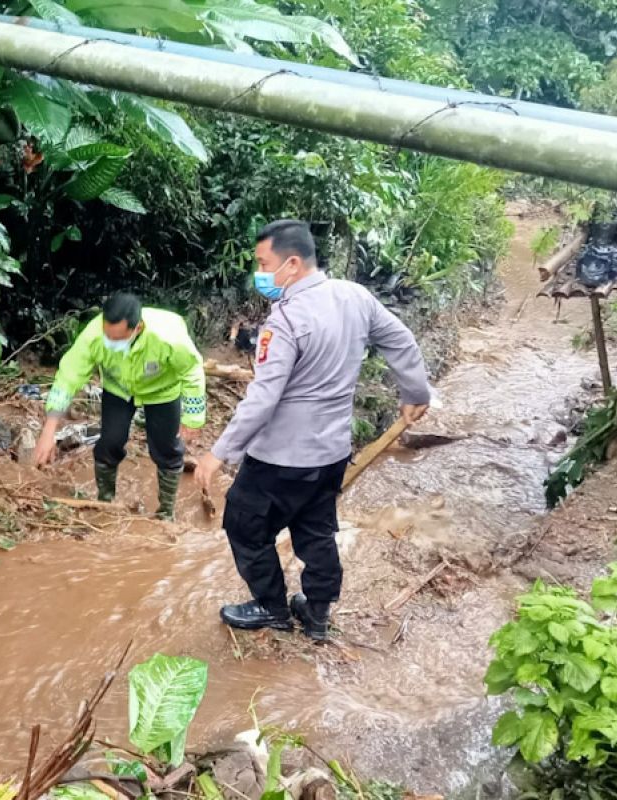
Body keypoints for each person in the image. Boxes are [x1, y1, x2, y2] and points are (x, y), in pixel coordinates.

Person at [195, 220, 431, 641]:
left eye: (264, 264)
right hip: (332, 452)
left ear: (291, 263)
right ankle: (317, 613)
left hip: (280, 460)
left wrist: (219, 452)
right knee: (316, 528)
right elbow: (401, 341)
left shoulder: (286, 320)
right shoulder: (354, 297)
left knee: (244, 525)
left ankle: (271, 608)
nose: (260, 273)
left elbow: (263, 398)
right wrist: (414, 391)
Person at [33, 292, 206, 520]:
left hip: (162, 392)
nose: (111, 342)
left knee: (167, 450)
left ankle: (166, 513)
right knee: (110, 442)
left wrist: (193, 418)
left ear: (138, 328)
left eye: (118, 339)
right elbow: (68, 377)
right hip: (118, 389)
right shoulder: (93, 336)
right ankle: (105, 502)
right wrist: (49, 429)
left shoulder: (168, 338)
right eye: (108, 336)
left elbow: (192, 372)